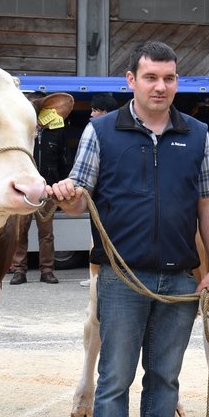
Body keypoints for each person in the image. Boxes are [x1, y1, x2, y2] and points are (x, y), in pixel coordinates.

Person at [50, 41, 209, 417]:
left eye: (169, 78)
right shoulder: (101, 132)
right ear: (131, 81)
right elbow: (76, 199)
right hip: (120, 279)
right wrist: (66, 193)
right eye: (150, 77)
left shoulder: (197, 135)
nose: (160, 87)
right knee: (114, 380)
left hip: (179, 279)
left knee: (165, 381)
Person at [9, 93, 74, 285]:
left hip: (48, 190)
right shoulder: (17, 131)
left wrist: (63, 187)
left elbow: (64, 160)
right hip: (22, 190)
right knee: (19, 232)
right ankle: (19, 270)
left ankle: (47, 271)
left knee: (46, 234)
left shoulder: (57, 131)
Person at [79, 93, 119, 286]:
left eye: (96, 110)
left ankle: (103, 276)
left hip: (111, 195)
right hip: (98, 193)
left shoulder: (110, 130)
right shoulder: (94, 129)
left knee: (106, 235)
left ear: (106, 112)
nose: (92, 113)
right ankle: (96, 275)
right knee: (97, 236)